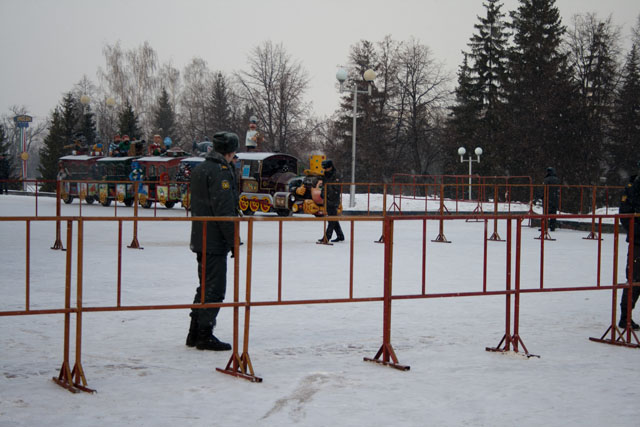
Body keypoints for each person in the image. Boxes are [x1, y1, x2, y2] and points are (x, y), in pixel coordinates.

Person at [186, 131, 239, 351]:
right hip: (215, 239)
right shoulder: (220, 172)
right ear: (231, 150)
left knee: (205, 285)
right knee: (215, 288)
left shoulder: (201, 169)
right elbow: (224, 211)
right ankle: (204, 335)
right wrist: (233, 239)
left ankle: (194, 331)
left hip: (201, 235)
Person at [619, 165, 640, 330]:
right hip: (638, 241)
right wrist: (635, 234)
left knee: (634, 280)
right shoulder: (633, 187)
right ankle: (625, 317)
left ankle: (626, 317)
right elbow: (625, 215)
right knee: (634, 280)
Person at [318, 159, 345, 243]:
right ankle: (340, 236)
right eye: (324, 168)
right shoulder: (325, 175)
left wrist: (329, 193)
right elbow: (324, 186)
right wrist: (323, 193)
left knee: (331, 219)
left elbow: (336, 188)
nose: (325, 170)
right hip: (327, 199)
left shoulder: (336, 175)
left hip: (333, 200)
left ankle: (326, 237)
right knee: (333, 218)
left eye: (326, 168)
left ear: (330, 167)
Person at [543, 167, 560, 231]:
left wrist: (541, 196)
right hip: (554, 198)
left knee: (545, 213)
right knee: (553, 213)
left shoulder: (546, 179)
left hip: (547, 198)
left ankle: (544, 226)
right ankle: (552, 227)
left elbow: (543, 189)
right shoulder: (557, 179)